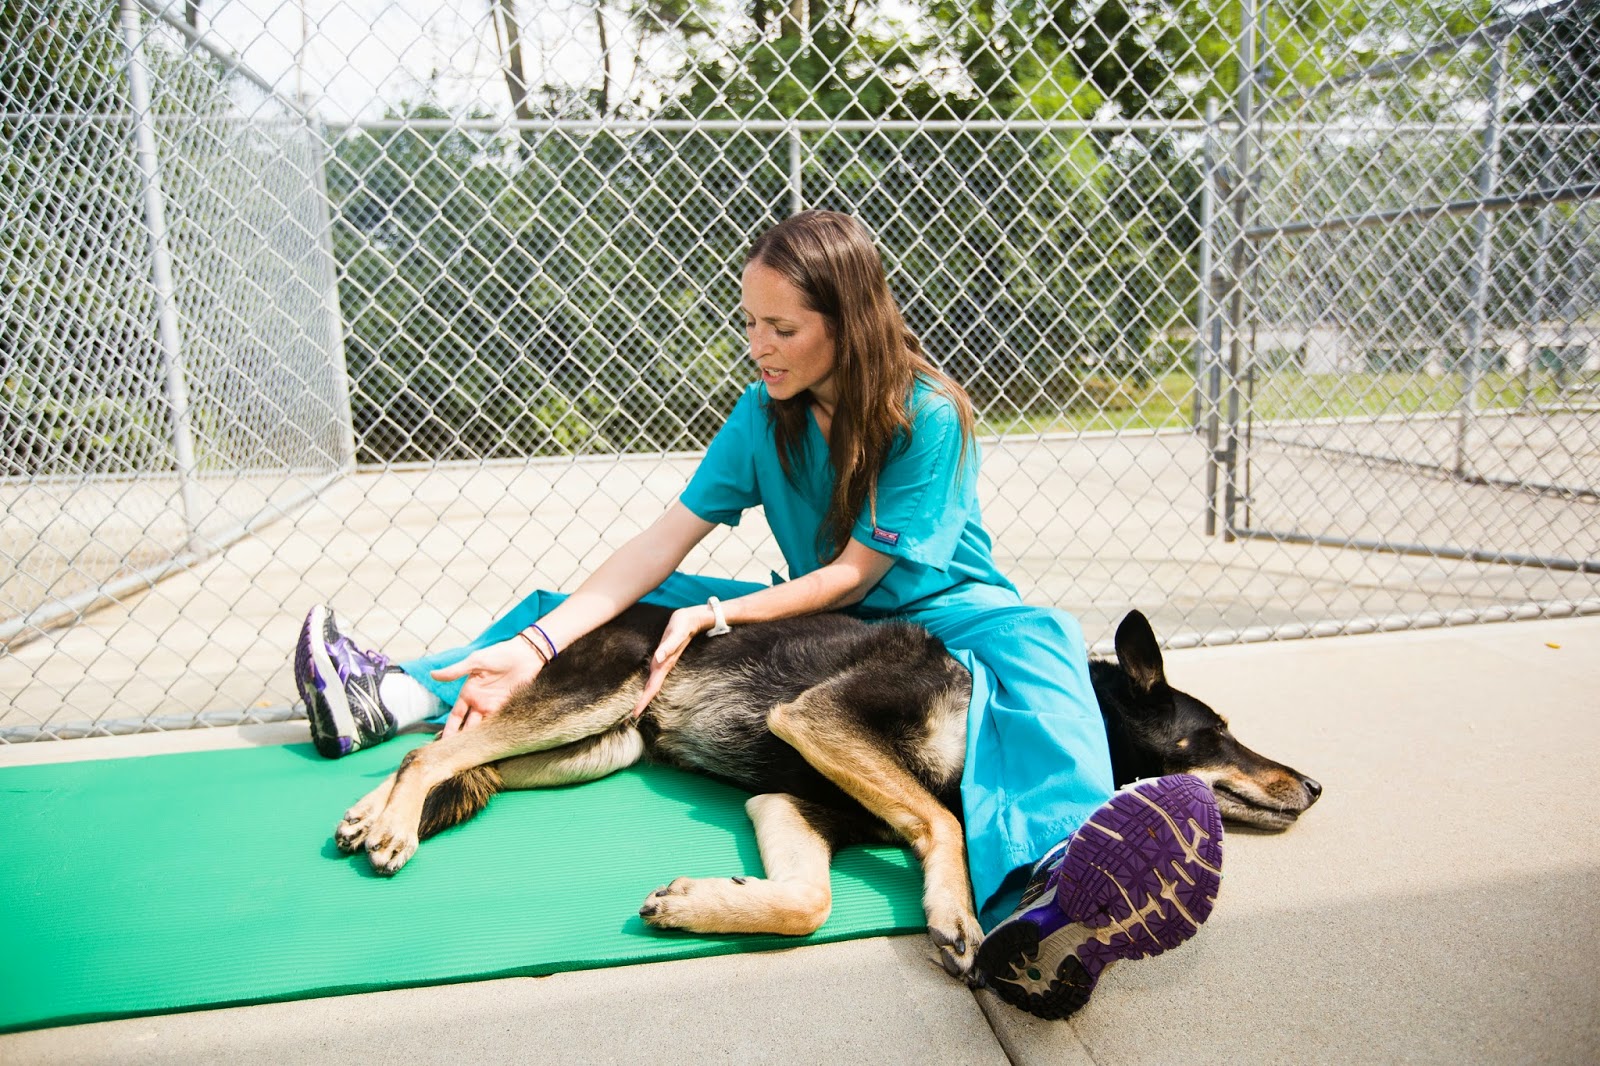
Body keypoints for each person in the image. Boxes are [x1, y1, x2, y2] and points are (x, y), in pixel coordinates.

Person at [294, 210, 1222, 1020]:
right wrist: (543, 641)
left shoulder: (927, 413)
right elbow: (663, 541)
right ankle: (399, 694)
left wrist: (719, 612)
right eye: (751, 323)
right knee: (585, 612)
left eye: (782, 326)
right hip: (820, 621)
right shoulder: (761, 412)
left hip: (944, 609)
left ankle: (1045, 880)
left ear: (847, 324)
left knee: (1049, 647)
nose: (759, 344)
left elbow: (859, 575)